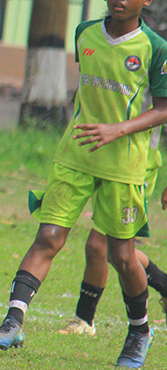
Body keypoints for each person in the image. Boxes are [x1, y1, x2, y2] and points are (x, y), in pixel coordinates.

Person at [0, 0, 167, 369]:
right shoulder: (85, 32)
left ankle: (139, 331)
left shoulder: (155, 49)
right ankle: (13, 322)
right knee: (48, 236)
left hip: (125, 165)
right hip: (75, 154)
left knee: (121, 256)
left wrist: (117, 129)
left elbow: (163, 108)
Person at [43, 131, 167, 335]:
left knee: (99, 246)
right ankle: (163, 284)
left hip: (138, 168)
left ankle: (85, 319)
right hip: (108, 163)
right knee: (110, 251)